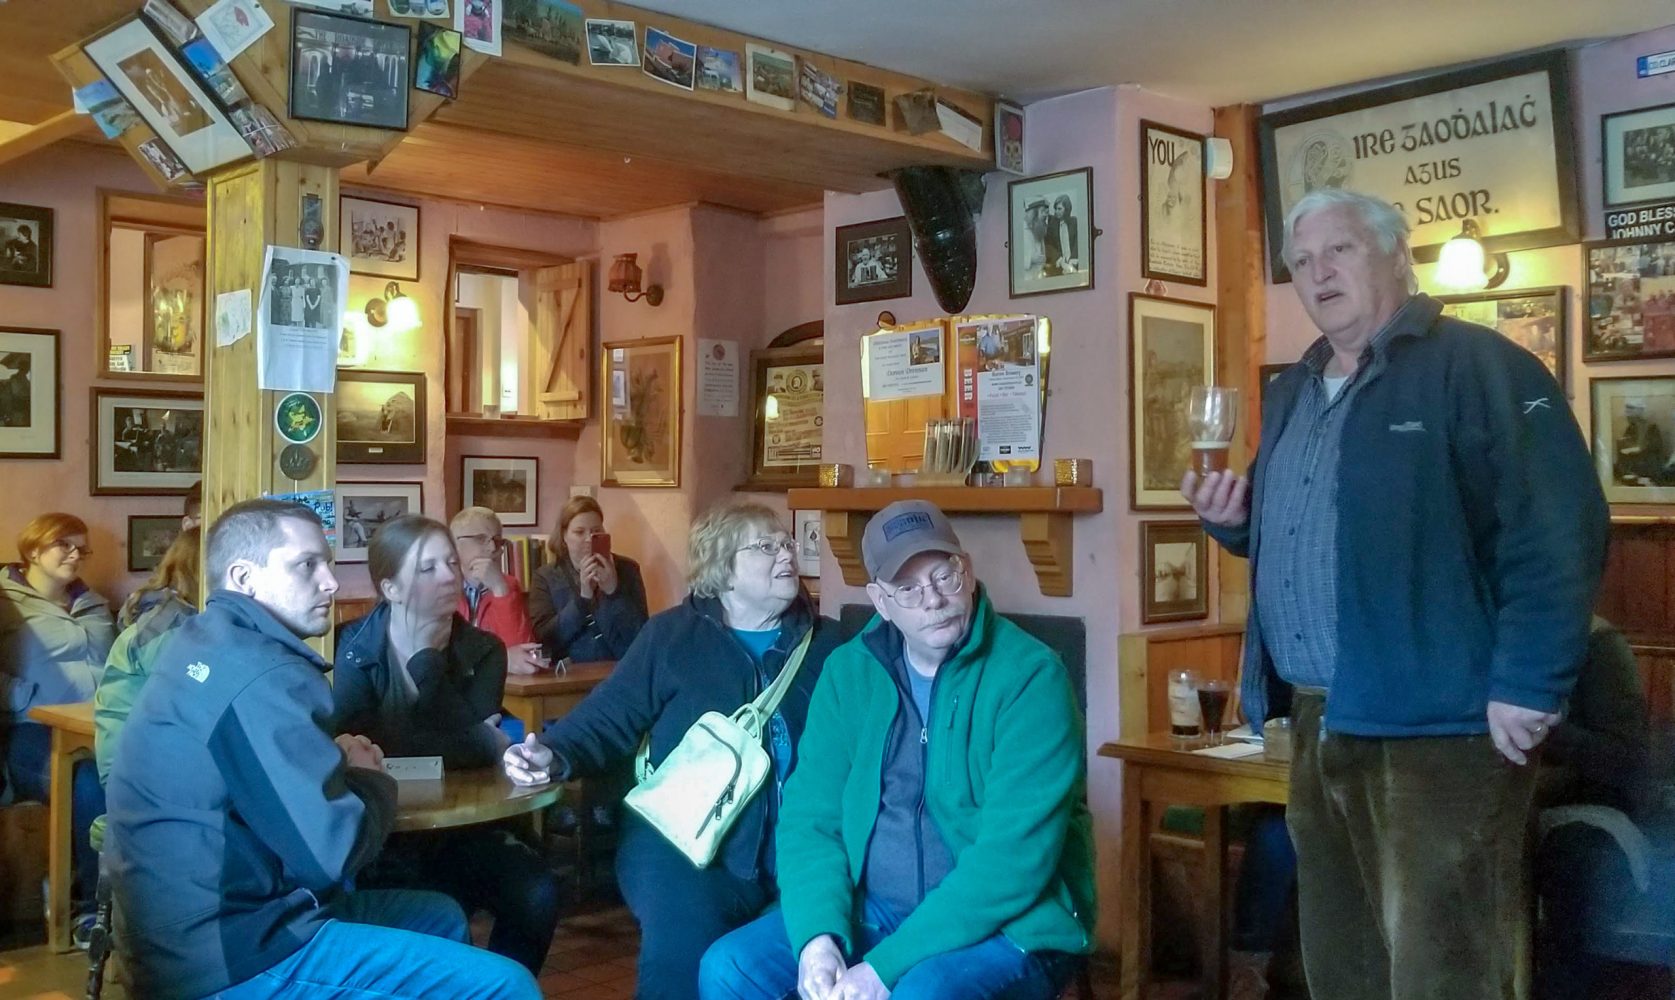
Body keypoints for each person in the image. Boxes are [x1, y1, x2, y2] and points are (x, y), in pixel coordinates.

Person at [1181, 188, 1608, 1000]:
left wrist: (1528, 682)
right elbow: (1322, 534)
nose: (1317, 273)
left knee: (1446, 968)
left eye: (1336, 250)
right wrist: (1237, 526)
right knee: (1340, 967)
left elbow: (1556, 528)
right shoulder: (1295, 389)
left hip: (1440, 727)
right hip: (1315, 716)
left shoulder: (1481, 366)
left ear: (1393, 255)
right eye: (1301, 261)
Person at [105, 499, 537, 999]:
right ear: (244, 578)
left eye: (327, 563)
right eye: (307, 565)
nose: (331, 582)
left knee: (438, 915)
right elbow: (329, 854)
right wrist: (369, 775)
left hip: (162, 933)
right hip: (230, 950)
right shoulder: (265, 674)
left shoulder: (204, 641)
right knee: (508, 984)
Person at [699, 500, 1096, 1000]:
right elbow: (811, 819)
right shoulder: (849, 673)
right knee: (729, 968)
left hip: (1013, 924)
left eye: (944, 577)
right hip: (877, 906)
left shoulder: (1031, 677)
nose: (931, 599)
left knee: (920, 993)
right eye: (907, 588)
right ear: (880, 601)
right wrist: (817, 938)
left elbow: (1011, 863)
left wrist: (882, 968)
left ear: (967, 573)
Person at [503, 501, 845, 1000]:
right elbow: (608, 718)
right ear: (723, 567)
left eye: (787, 544)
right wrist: (552, 755)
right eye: (765, 546)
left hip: (794, 850)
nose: (786, 555)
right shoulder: (671, 636)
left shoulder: (830, 645)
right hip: (679, 844)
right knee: (682, 965)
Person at [334, 515, 561, 975]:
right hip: (384, 834)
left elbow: (476, 751)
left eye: (451, 563)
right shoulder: (353, 645)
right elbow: (356, 745)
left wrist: (426, 670)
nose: (448, 576)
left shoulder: (483, 651)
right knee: (432, 910)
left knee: (538, 891)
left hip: (465, 829)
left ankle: (495, 986)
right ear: (391, 588)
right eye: (427, 567)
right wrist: (471, 735)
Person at [0, 512, 117, 944]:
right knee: (88, 784)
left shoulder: (95, 603)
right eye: (63, 544)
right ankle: (91, 908)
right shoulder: (6, 601)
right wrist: (21, 697)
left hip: (97, 730)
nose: (75, 554)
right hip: (31, 732)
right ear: (32, 549)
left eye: (81, 547)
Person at [91, 525, 201, 850]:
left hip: (133, 776)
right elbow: (191, 721)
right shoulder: (170, 630)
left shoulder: (162, 614)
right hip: (144, 787)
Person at [528, 495, 649, 663]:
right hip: (569, 676)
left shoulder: (628, 569)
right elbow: (546, 641)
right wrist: (583, 598)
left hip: (620, 670)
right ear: (564, 535)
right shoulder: (545, 577)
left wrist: (613, 592)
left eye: (596, 531)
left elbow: (640, 636)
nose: (588, 539)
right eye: (579, 532)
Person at [450, 506, 546, 674]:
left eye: (498, 540)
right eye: (481, 539)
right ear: (454, 545)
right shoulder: (441, 588)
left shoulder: (509, 586)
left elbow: (524, 659)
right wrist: (499, 659)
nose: (493, 548)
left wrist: (500, 590)